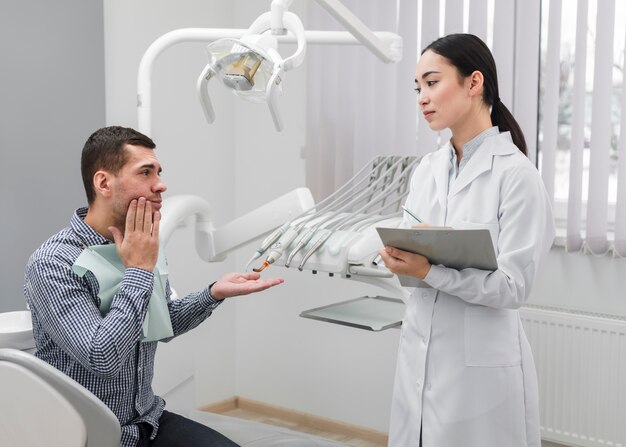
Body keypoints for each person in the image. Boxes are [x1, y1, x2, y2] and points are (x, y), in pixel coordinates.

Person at [24, 126, 284, 447]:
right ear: (104, 183)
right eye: (145, 172)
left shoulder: (143, 243)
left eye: (158, 172)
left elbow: (157, 323)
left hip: (148, 422)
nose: (160, 184)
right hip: (90, 434)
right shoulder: (53, 262)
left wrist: (213, 293)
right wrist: (139, 269)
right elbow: (102, 357)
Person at [378, 34, 555, 447]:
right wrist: (400, 258)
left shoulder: (517, 177)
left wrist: (430, 270)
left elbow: (513, 287)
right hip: (421, 352)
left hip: (480, 371)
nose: (422, 96)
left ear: (474, 83)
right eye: (417, 87)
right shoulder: (427, 169)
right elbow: (412, 252)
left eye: (433, 82)